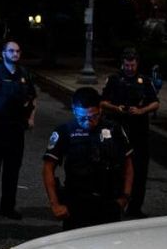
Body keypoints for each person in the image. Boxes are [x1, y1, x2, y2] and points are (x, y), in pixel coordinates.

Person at [42, 87, 133, 231]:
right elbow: (48, 167)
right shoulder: (65, 131)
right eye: (82, 118)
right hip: (77, 202)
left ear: (100, 110)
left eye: (93, 117)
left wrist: (125, 197)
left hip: (109, 201)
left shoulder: (114, 129)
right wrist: (55, 204)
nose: (88, 122)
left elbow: (128, 164)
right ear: (74, 110)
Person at [0, 40, 37, 223]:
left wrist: (32, 118)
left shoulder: (25, 73)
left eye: (17, 51)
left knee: (12, 171)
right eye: (11, 51)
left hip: (16, 129)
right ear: (3, 53)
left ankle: (7, 207)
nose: (15, 54)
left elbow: (33, 98)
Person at [101, 47, 159, 218]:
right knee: (117, 170)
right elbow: (103, 102)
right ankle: (115, 205)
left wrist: (141, 111)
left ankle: (135, 208)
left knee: (140, 172)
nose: (130, 68)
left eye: (132, 65)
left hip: (139, 132)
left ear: (137, 64)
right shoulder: (114, 80)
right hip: (119, 131)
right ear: (122, 64)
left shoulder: (144, 81)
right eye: (127, 65)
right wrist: (116, 108)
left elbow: (155, 103)